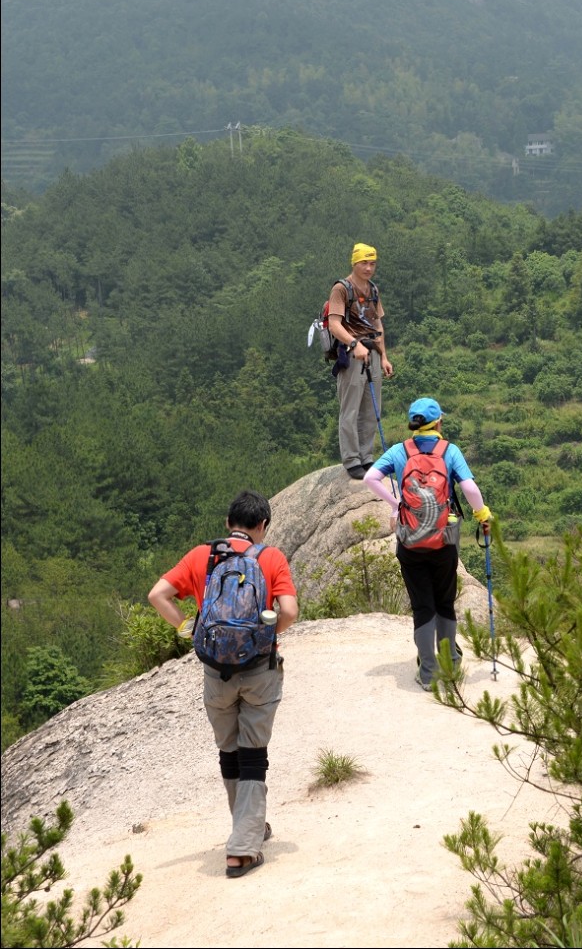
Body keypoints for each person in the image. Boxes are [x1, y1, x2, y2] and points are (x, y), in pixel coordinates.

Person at [148, 489, 298, 878]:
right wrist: (265, 637)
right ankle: (242, 849)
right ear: (262, 525)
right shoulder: (271, 558)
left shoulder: (202, 556)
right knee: (254, 754)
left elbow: (158, 595)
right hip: (260, 671)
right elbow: (289, 611)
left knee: (230, 751)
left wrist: (188, 628)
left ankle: (247, 827)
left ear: (228, 523)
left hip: (216, 671)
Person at [363, 398, 491, 691]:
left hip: (410, 541)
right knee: (444, 602)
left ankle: (428, 673)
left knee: (422, 606)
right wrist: (483, 514)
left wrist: (396, 504)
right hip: (444, 541)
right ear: (438, 423)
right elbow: (469, 488)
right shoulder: (449, 451)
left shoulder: (399, 451)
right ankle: (450, 663)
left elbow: (371, 478)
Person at [326, 242, 393, 479]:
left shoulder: (373, 289)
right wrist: (354, 344)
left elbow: (377, 324)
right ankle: (352, 459)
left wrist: (384, 357)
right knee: (351, 409)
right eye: (364, 263)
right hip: (352, 353)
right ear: (354, 263)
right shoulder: (341, 289)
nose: (368, 268)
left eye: (372, 263)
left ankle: (367, 457)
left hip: (372, 352)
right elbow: (334, 324)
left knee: (371, 408)